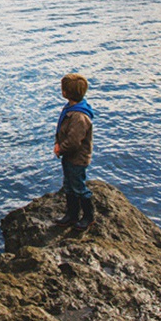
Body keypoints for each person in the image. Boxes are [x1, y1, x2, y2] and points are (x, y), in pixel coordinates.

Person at [53, 73, 95, 230]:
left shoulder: (79, 116)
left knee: (78, 187)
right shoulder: (72, 108)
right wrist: (58, 143)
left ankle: (88, 216)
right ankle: (72, 214)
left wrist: (60, 148)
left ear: (65, 92)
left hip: (77, 158)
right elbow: (63, 132)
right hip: (69, 157)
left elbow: (74, 142)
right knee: (69, 185)